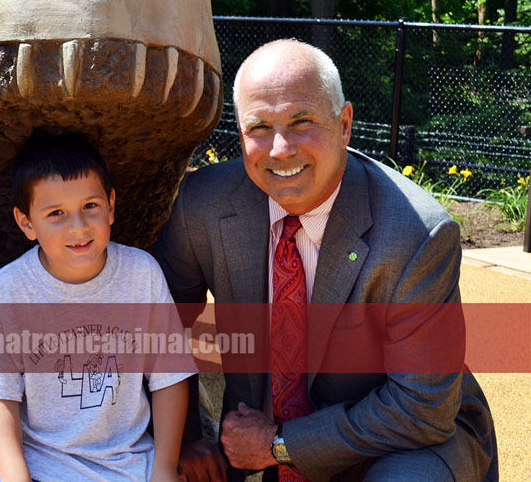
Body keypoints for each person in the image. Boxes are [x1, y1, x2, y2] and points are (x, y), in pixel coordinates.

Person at [153, 38, 497, 482]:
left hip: (397, 441)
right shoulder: (201, 205)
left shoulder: (416, 234)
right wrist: (185, 438)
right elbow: (160, 324)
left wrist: (280, 444)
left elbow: (421, 409)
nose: (280, 149)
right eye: (259, 128)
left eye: (302, 122)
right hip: (250, 442)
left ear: (345, 124)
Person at [0, 131, 193, 481]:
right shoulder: (12, 288)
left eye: (90, 206)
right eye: (56, 213)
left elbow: (169, 378)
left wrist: (165, 468)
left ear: (111, 206)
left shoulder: (141, 273)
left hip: (130, 464)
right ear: (26, 222)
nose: (78, 227)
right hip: (41, 464)